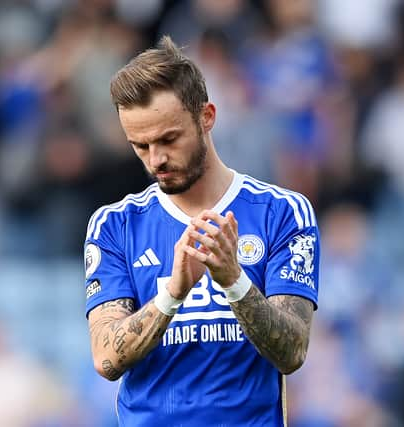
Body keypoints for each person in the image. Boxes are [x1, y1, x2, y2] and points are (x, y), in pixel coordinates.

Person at [84, 36, 320, 427]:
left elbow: (292, 351)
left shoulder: (282, 212)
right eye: (140, 146)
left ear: (206, 116)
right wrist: (172, 293)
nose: (155, 159)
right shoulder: (115, 224)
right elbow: (105, 358)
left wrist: (234, 281)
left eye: (168, 139)